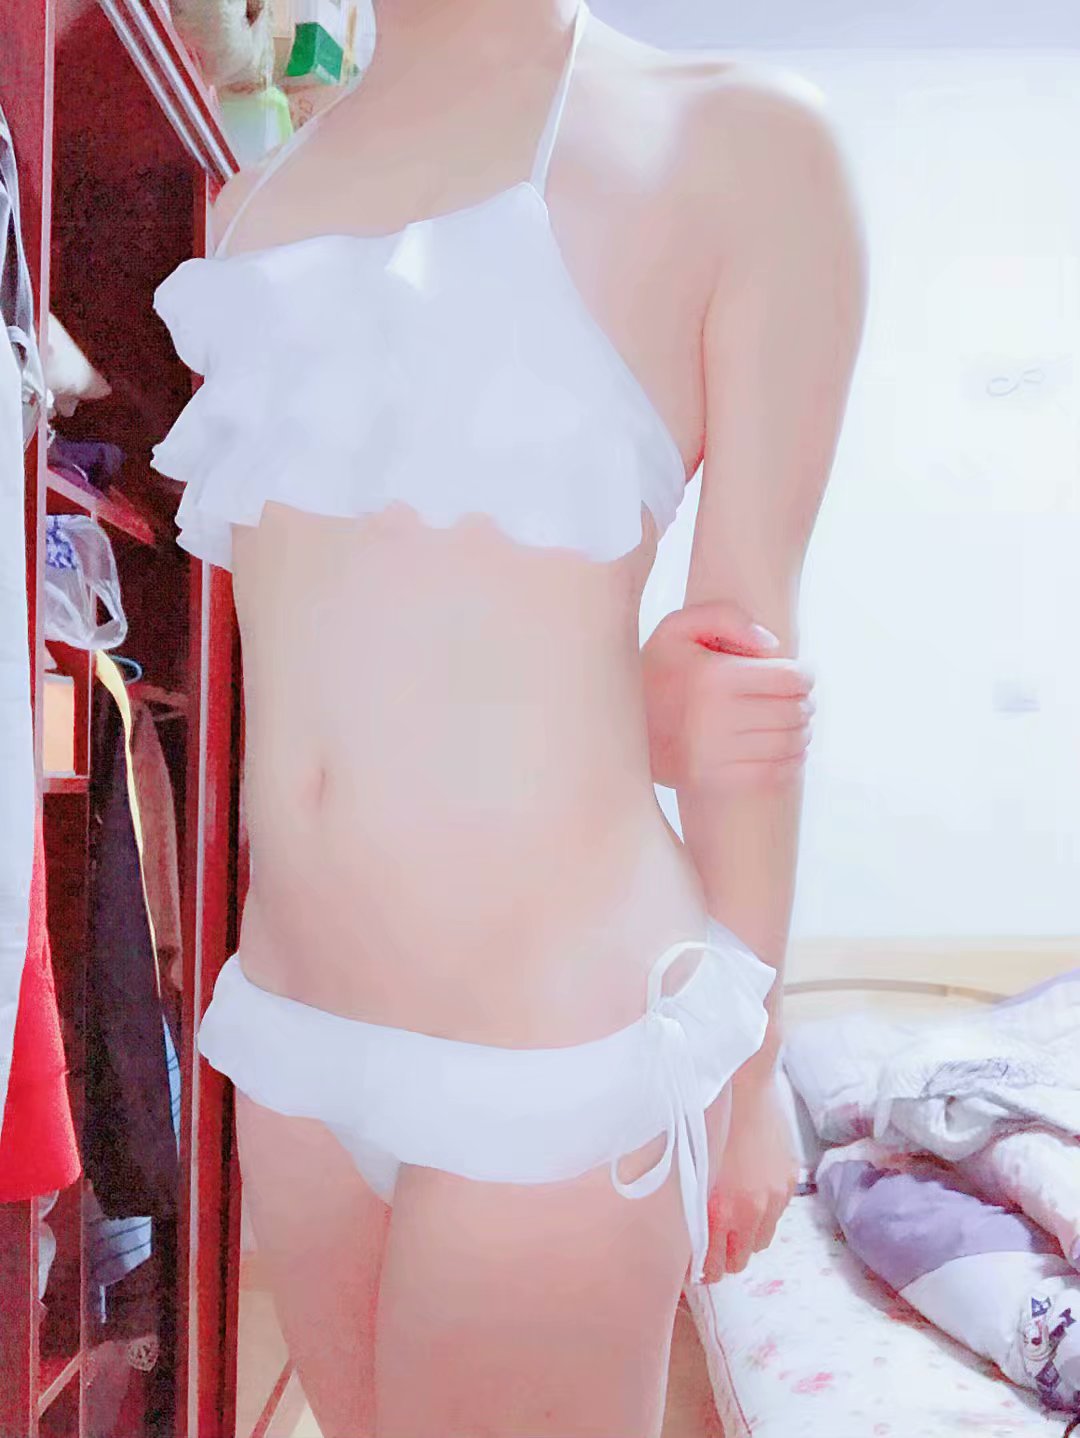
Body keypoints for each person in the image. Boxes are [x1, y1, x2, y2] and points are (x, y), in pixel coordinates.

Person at [152, 0, 866, 1432]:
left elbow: (747, 661)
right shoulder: (252, 201)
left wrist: (747, 1072)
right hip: (292, 1017)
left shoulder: (736, 141)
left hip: (557, 1039)